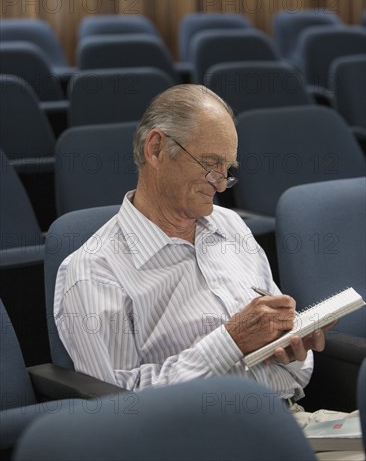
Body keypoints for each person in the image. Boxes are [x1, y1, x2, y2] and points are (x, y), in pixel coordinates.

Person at [54, 84, 358, 435]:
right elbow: (120, 409)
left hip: (286, 421)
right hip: (193, 442)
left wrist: (293, 350)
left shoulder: (229, 226)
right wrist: (230, 341)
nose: (220, 183)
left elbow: (293, 370)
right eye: (211, 164)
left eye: (227, 169)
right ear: (156, 149)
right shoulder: (93, 271)